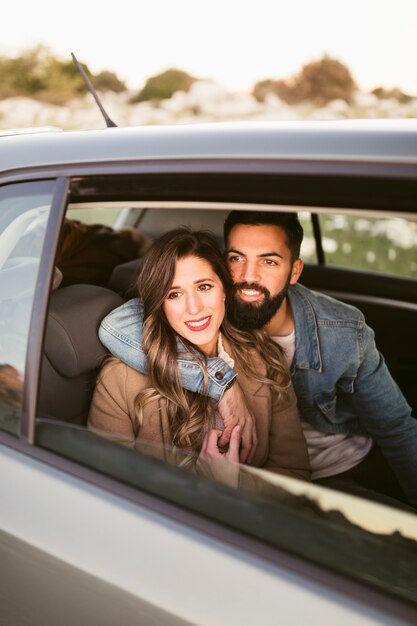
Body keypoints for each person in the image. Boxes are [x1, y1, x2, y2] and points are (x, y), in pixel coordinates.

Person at [99, 212, 417, 509]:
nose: (248, 277)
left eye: (268, 261)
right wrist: (223, 385)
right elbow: (117, 323)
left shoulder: (332, 336)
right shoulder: (131, 366)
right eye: (237, 258)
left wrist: (233, 482)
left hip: (336, 468)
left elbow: (396, 426)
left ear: (294, 271)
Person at [88, 228, 311, 488]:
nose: (194, 308)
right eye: (174, 294)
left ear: (225, 290)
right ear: (160, 304)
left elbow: (295, 474)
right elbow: (106, 486)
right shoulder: (120, 379)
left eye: (204, 287)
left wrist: (236, 484)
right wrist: (203, 487)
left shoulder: (265, 360)